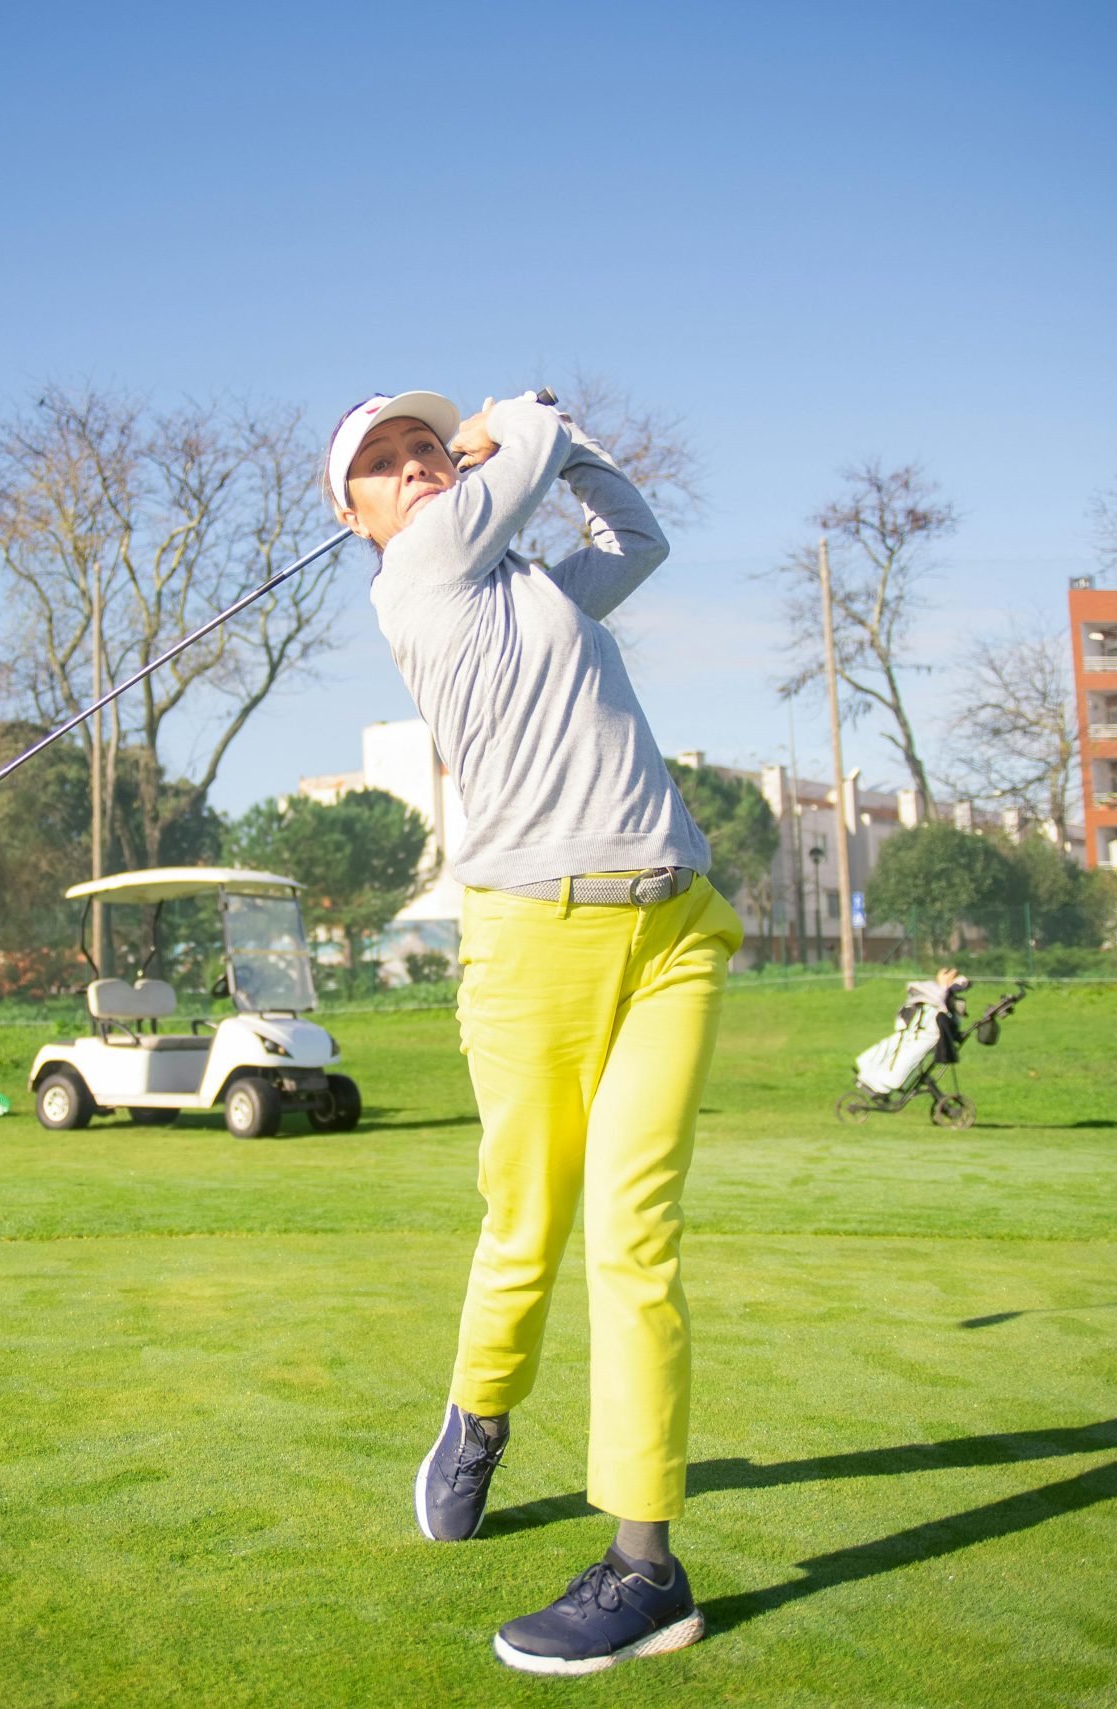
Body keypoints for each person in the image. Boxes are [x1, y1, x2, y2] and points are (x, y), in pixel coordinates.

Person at [325, 388, 743, 1675]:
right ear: (360, 522)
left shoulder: (534, 592)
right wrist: (519, 421)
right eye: (383, 467)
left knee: (634, 1233)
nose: (416, 466)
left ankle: (642, 1566)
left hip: (671, 927)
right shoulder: (415, 578)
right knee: (528, 1218)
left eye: (424, 444)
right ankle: (479, 1413)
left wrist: (573, 446)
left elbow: (639, 543)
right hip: (530, 946)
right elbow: (519, 459)